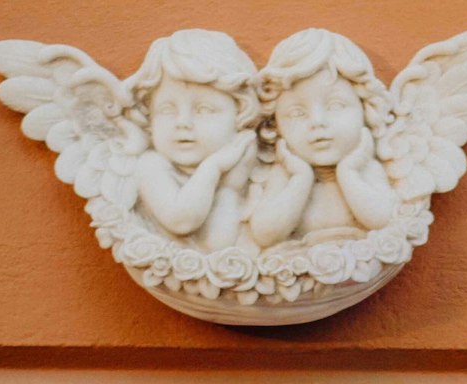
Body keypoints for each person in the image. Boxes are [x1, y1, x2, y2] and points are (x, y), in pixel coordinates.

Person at [250, 30, 398, 247]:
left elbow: (383, 220)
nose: (317, 122)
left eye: (335, 106)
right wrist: (300, 177)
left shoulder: (365, 167)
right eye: (297, 113)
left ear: (366, 111)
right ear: (276, 126)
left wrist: (348, 171)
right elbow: (266, 234)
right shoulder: (285, 173)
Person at [129, 31, 260, 251]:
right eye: (167, 109)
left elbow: (219, 245)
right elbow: (182, 221)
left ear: (240, 116)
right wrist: (213, 167)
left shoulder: (250, 164)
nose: (183, 122)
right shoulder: (151, 165)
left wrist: (230, 189)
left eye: (204, 109)